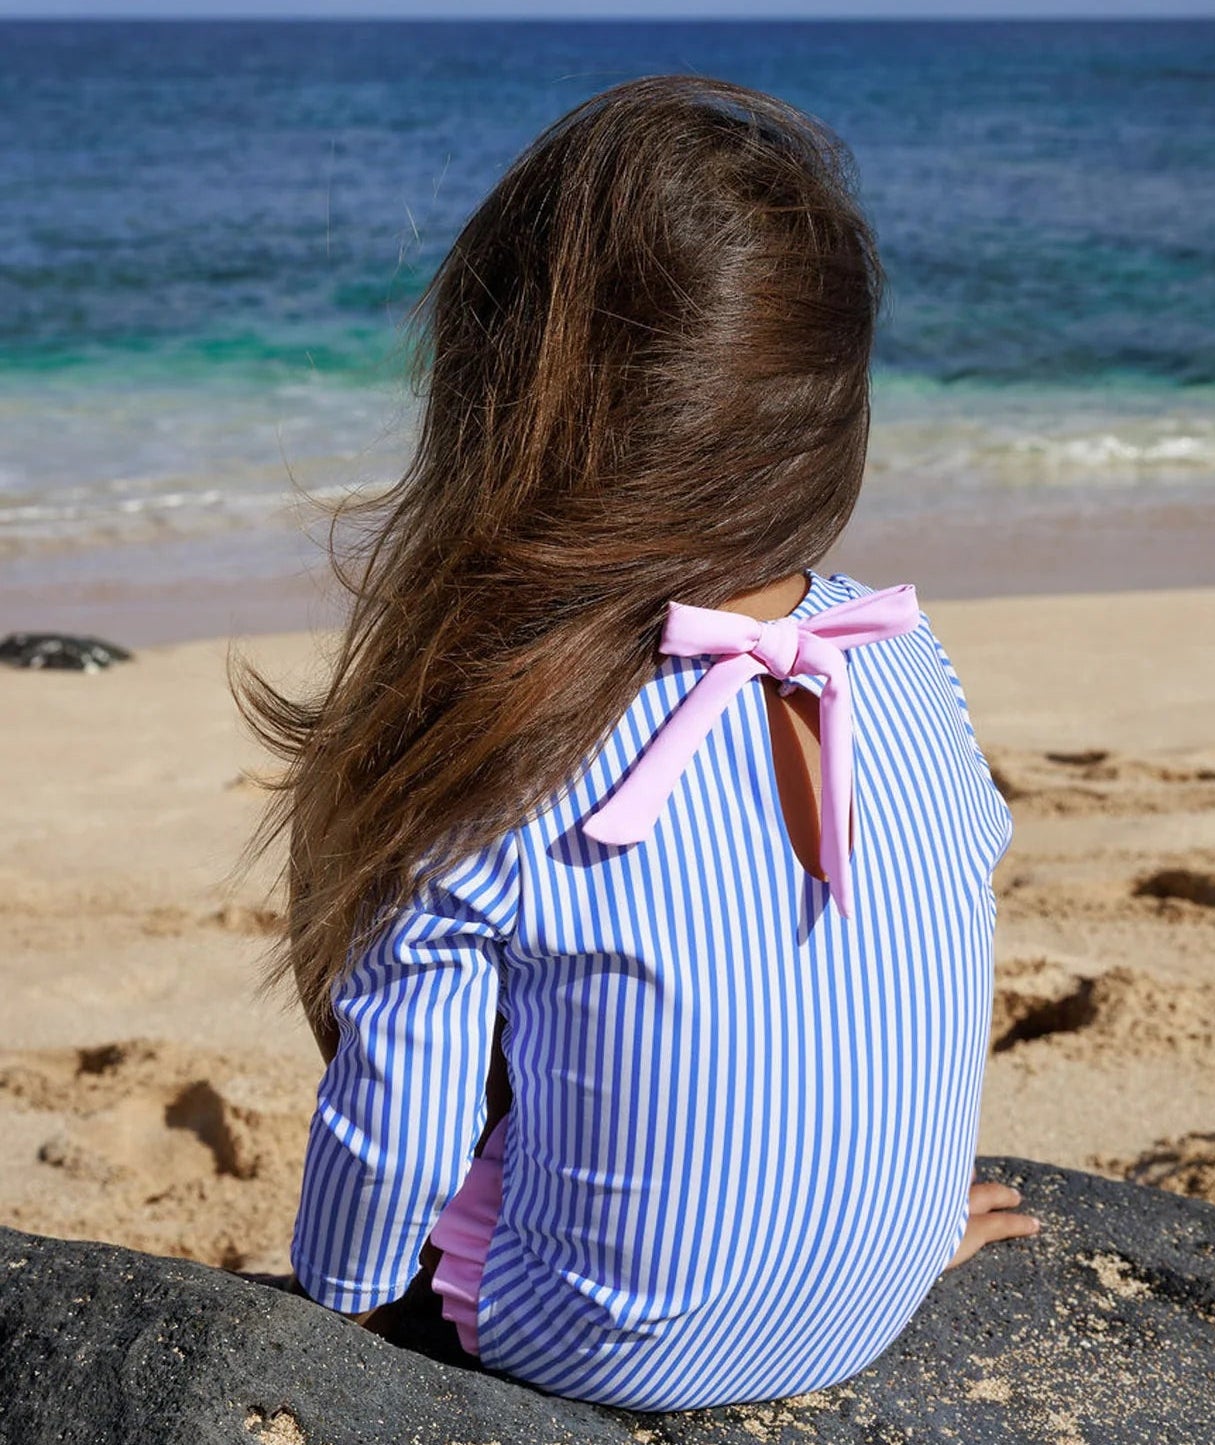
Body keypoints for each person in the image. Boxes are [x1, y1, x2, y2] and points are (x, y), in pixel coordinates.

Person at [234, 74, 1034, 1414]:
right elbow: (914, 941)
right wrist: (879, 1234)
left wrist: (341, 1313)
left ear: (508, 404)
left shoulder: (512, 735)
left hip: (595, 1340)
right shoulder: (897, 651)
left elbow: (396, 1136)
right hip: (878, 1291)